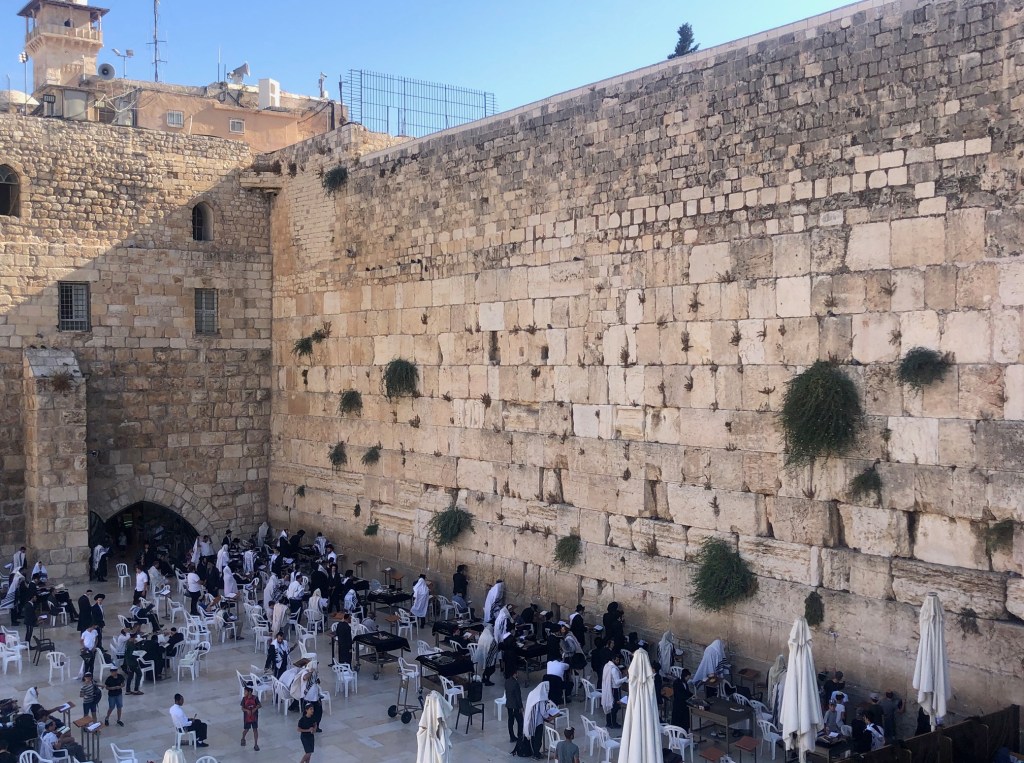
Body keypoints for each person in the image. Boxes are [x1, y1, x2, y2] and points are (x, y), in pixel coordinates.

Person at [601, 653, 627, 728]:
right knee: (614, 706)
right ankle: (613, 723)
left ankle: (609, 722)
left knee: (610, 705)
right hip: (615, 689)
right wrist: (625, 678)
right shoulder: (614, 670)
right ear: (613, 660)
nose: (618, 661)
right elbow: (617, 681)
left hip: (609, 688)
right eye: (617, 660)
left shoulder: (607, 666)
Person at [505, 666, 524, 746]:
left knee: (510, 721)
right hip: (515, 706)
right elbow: (518, 697)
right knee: (520, 721)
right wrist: (521, 707)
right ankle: (520, 736)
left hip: (509, 704)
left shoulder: (507, 681)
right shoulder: (515, 684)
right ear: (514, 674)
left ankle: (512, 736)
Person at [240, 685, 261, 751]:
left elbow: (259, 705)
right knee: (246, 729)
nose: (244, 692)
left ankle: (256, 744)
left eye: (245, 691)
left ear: (249, 692)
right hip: (247, 718)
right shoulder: (244, 699)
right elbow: (242, 708)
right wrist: (247, 710)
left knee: (255, 730)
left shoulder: (255, 698)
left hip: (254, 717)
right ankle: (243, 738)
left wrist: (255, 709)